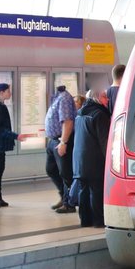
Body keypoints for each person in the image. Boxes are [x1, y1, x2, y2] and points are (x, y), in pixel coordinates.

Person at [72, 88, 111, 228]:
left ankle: (85, 220)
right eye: (105, 97)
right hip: (94, 159)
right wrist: (110, 160)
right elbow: (104, 140)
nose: (107, 100)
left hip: (79, 159)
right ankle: (98, 221)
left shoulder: (79, 114)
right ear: (98, 98)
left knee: (83, 190)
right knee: (96, 190)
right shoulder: (99, 114)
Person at [44, 85, 77, 214]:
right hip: (53, 140)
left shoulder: (64, 98)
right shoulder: (56, 98)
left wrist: (64, 141)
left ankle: (69, 203)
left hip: (62, 140)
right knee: (51, 169)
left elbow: (67, 121)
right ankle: (64, 196)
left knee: (66, 173)